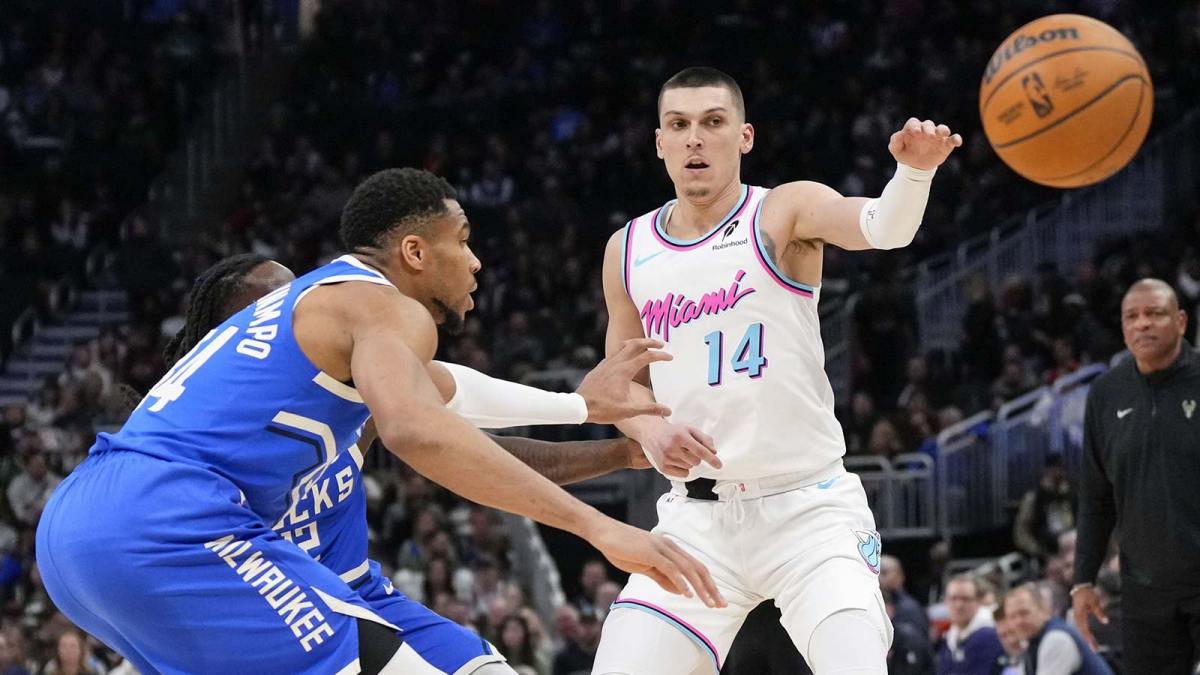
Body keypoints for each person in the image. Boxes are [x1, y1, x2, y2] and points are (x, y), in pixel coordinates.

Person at [36, 168, 722, 674]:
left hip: (96, 530)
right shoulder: (386, 306)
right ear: (417, 253)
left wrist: (582, 407)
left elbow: (452, 397)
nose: (478, 261)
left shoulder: (335, 325)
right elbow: (418, 429)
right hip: (170, 524)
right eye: (464, 240)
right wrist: (597, 525)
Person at [593, 66, 961, 674]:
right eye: (678, 125)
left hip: (807, 512)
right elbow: (620, 384)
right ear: (658, 143)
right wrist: (652, 432)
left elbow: (884, 228)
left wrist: (914, 171)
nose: (695, 140)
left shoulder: (784, 211)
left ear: (744, 137)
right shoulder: (627, 249)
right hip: (696, 521)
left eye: (713, 123)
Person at [159, 251, 666, 674]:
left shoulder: (353, 387)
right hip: (274, 620)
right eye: (277, 301)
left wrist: (619, 451)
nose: (301, 305)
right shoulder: (191, 441)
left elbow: (480, 452)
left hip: (362, 597)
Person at [1073, 278, 1200, 675]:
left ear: (1181, 321)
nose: (1143, 324)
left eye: (1155, 314)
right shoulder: (1106, 393)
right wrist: (1083, 581)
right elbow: (1095, 497)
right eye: (1133, 316)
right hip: (1144, 589)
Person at [1005, 584, 1112, 675]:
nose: (1018, 622)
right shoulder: (1032, 643)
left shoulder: (1056, 639)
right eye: (1012, 617)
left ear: (1044, 610)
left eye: (1024, 613)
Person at [936, 575, 1005, 675]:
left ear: (978, 601)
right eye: (953, 598)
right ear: (945, 601)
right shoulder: (950, 637)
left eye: (965, 599)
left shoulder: (989, 636)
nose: (959, 605)